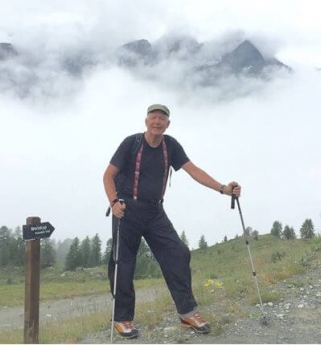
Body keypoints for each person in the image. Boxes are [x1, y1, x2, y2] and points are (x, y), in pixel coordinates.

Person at [103, 104, 241, 339]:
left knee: (178, 253)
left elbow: (193, 170)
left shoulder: (171, 146)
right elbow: (108, 175)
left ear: (168, 124)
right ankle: (122, 318)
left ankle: (187, 313)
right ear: (146, 121)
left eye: (162, 118)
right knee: (123, 264)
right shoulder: (131, 143)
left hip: (155, 211)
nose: (157, 122)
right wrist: (114, 202)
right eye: (153, 117)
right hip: (126, 209)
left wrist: (223, 189)